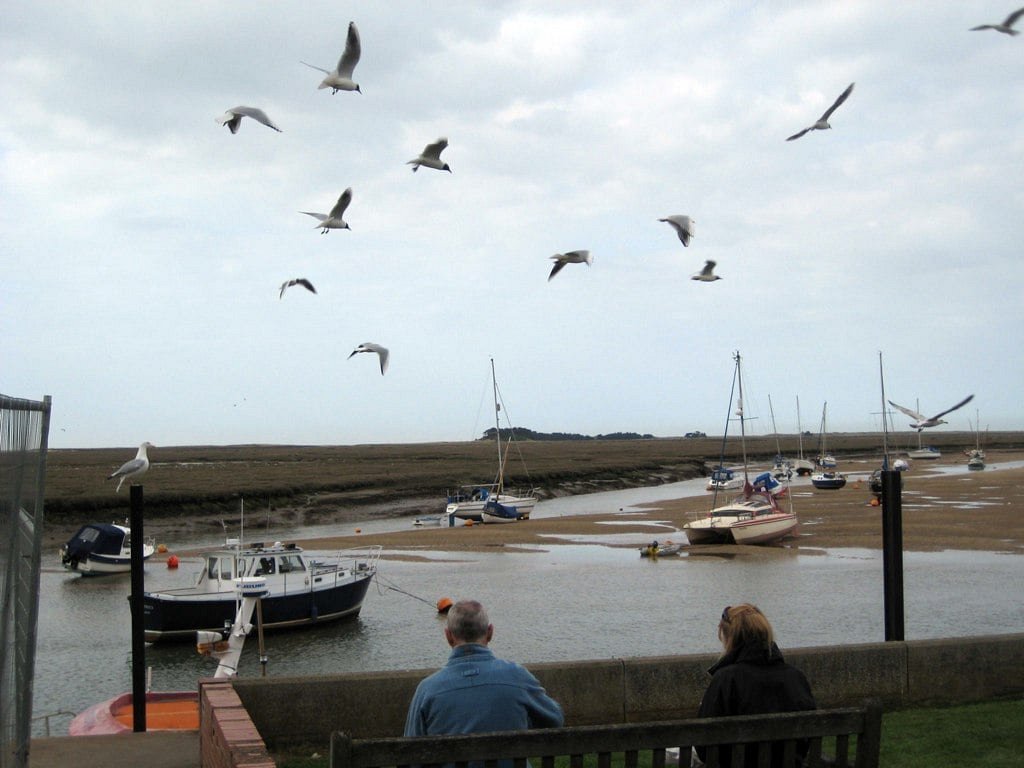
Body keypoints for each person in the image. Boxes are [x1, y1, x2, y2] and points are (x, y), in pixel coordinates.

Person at [404, 599, 564, 739]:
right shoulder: (518, 677)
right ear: (490, 632)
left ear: (448, 636)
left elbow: (411, 747)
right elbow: (555, 720)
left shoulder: (427, 690)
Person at [695, 604, 816, 767]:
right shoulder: (796, 677)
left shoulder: (726, 679)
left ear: (729, 638)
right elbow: (805, 741)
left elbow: (704, 748)